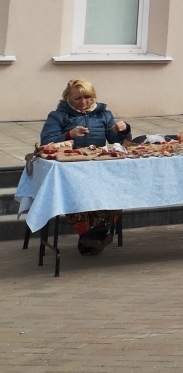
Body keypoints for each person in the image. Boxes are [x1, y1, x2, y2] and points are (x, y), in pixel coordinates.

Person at [40, 79, 131, 255]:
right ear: (68, 97)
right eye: (77, 98)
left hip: (98, 166)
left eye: (88, 97)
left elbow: (118, 143)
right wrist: (69, 134)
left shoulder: (103, 114)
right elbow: (46, 142)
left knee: (115, 190)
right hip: (70, 167)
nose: (83, 102)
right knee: (77, 193)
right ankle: (92, 237)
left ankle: (92, 237)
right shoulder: (58, 116)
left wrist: (123, 130)